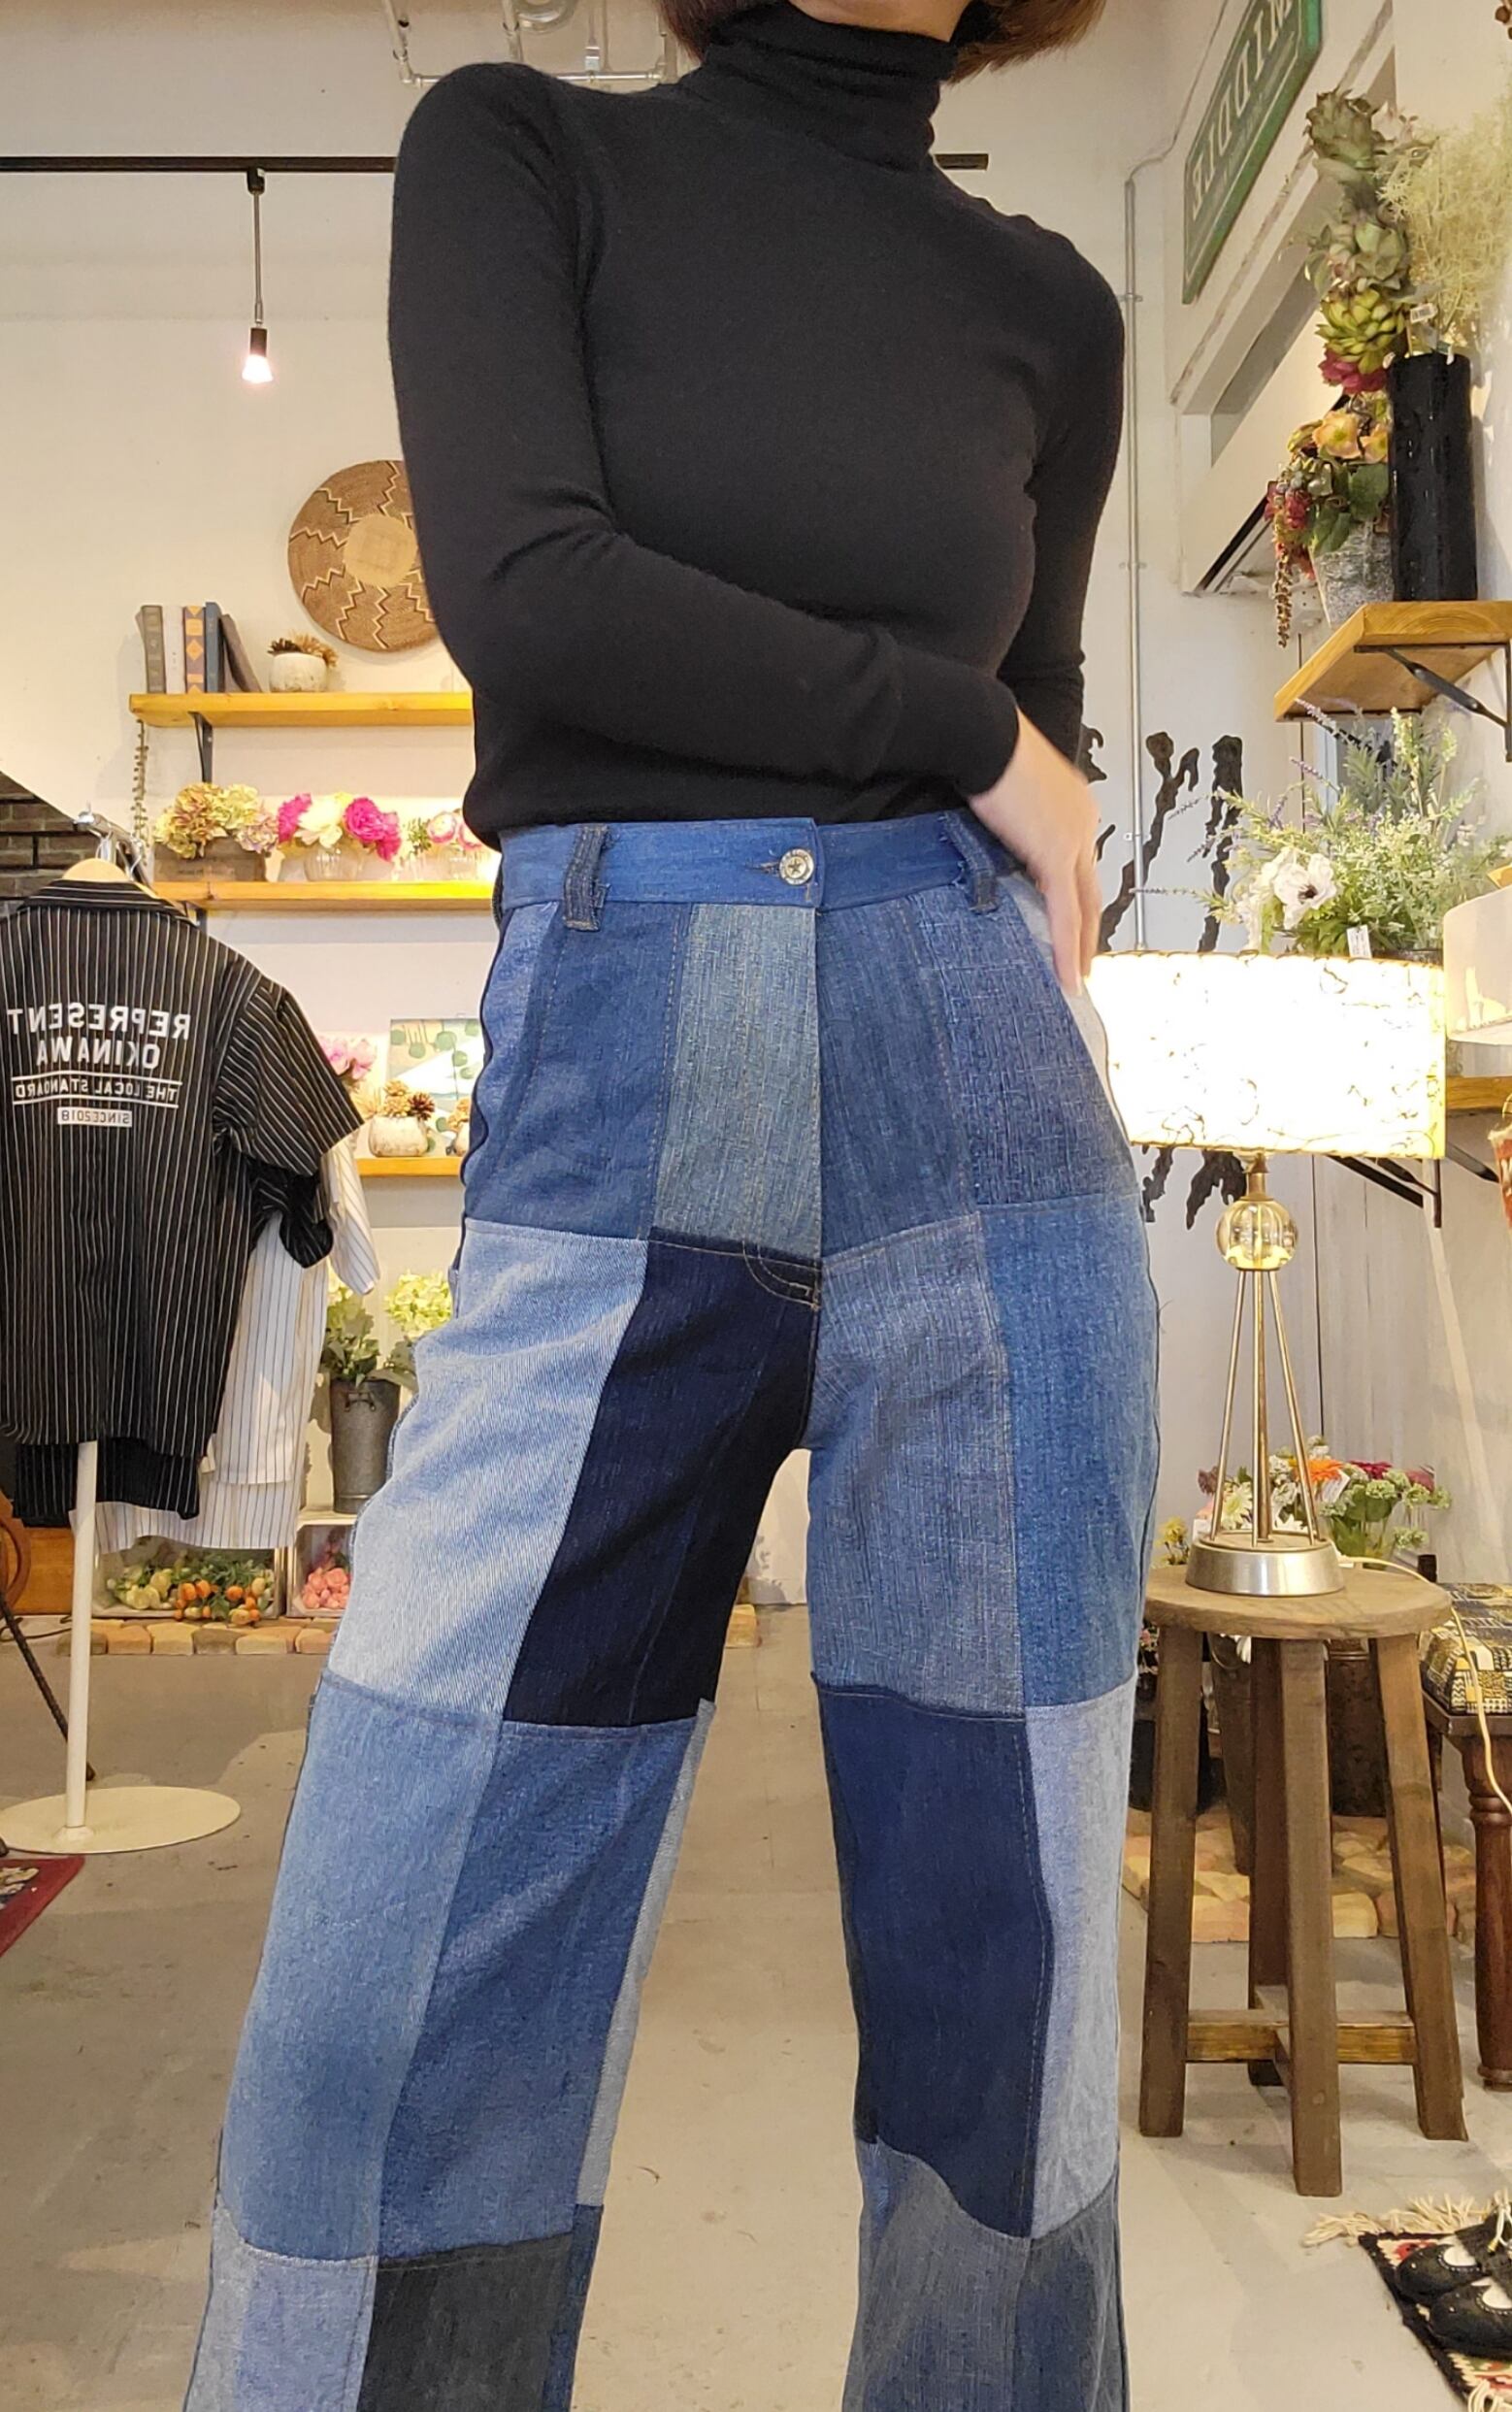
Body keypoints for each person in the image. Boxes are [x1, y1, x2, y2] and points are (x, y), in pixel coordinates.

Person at [186, 1, 1158, 2405]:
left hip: (977, 1084)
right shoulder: (520, 151)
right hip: (630, 1050)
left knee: (1012, 1957)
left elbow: (1043, 728)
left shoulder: (1048, 306)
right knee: (410, 1942)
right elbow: (533, 591)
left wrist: (1017, 792)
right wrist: (958, 731)